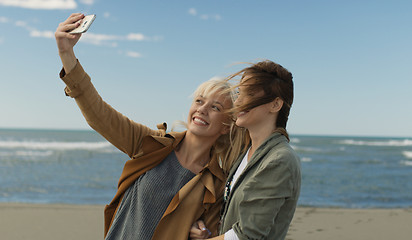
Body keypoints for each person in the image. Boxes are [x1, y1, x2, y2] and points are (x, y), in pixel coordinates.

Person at [55, 13, 243, 240]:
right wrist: (67, 53)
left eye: (215, 107)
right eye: (199, 101)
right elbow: (99, 115)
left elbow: (215, 234)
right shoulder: (153, 144)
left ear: (226, 127)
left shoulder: (217, 186)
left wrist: (203, 235)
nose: (202, 109)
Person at [190, 60, 301, 240]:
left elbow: (247, 235)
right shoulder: (246, 152)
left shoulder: (279, 159)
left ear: (275, 105)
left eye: (249, 94)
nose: (238, 101)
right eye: (239, 93)